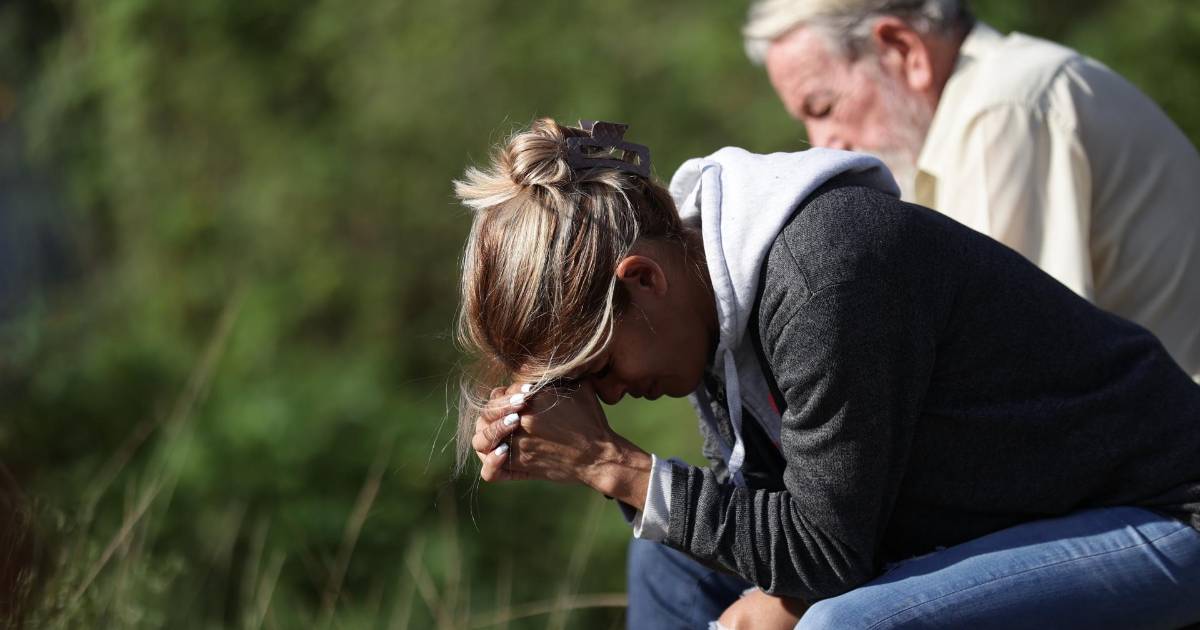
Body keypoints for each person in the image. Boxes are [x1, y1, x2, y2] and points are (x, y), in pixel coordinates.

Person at [453, 118, 1200, 628]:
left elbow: (824, 556)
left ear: (644, 280)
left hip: (1157, 513)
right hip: (979, 517)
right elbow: (766, 500)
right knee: (666, 567)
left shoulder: (825, 275)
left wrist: (611, 464)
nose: (611, 394)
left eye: (602, 367)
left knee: (846, 625)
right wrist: (586, 454)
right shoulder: (705, 291)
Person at [743, 0, 1200, 382]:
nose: (823, 144)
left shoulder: (1001, 110)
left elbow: (1012, 368)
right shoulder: (988, 103)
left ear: (903, 50)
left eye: (823, 107)